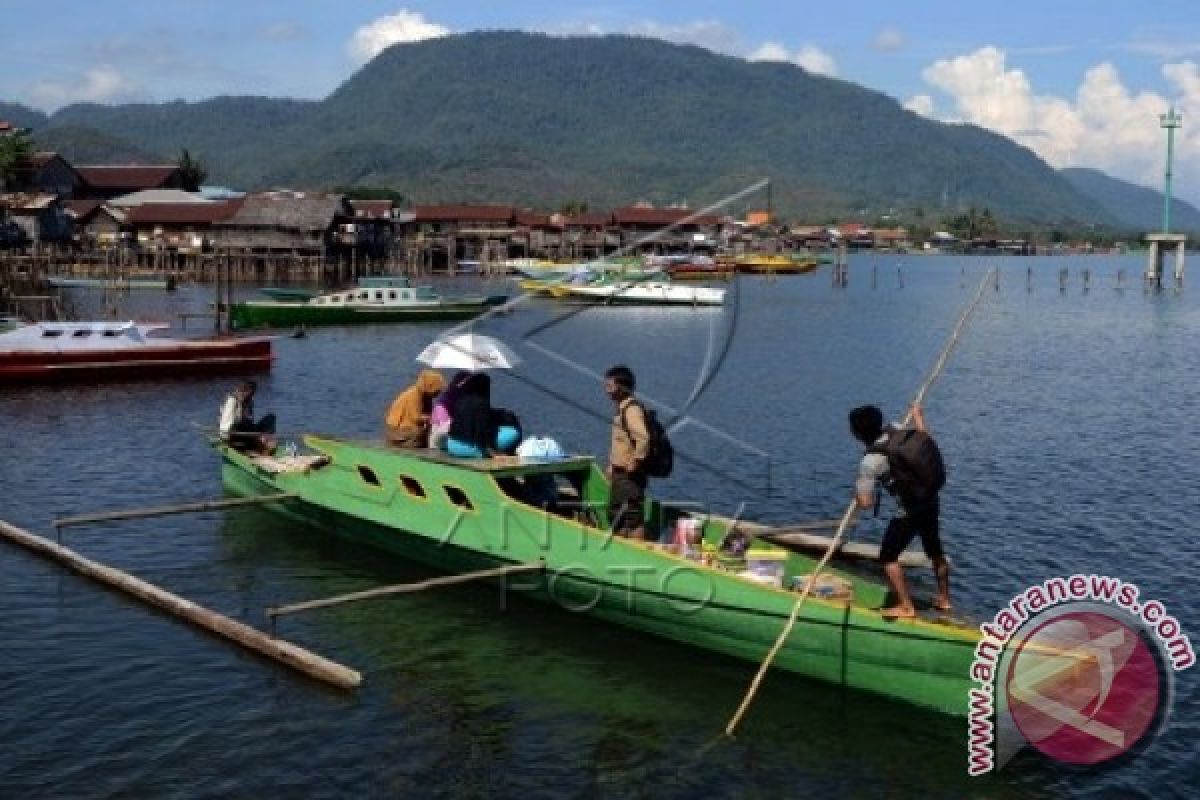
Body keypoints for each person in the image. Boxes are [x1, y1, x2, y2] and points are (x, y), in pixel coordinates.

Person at [850, 403, 951, 619]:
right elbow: (924, 439)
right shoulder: (897, 429)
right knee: (935, 551)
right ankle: (944, 599)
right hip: (930, 499)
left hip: (910, 510)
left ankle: (906, 607)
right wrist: (918, 417)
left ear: (857, 434)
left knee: (887, 557)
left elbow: (866, 503)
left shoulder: (869, 462)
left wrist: (859, 489)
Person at [604, 365, 650, 540]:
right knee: (618, 515)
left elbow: (643, 437)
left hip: (629, 474)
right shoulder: (622, 409)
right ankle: (622, 548)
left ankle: (637, 553)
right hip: (620, 473)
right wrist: (611, 465)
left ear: (622, 387)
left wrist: (636, 461)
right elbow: (620, 442)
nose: (607, 390)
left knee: (632, 517)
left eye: (610, 386)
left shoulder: (632, 410)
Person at [384, 369, 446, 448]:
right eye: (436, 391)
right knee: (420, 434)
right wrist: (430, 418)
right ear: (430, 387)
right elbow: (415, 417)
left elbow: (429, 413)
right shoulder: (414, 395)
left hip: (408, 428)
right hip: (398, 429)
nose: (437, 394)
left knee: (432, 431)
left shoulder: (426, 397)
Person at [218, 380, 276, 454]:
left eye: (253, 393)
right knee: (242, 424)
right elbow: (228, 424)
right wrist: (241, 405)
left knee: (271, 417)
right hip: (231, 434)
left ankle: (263, 442)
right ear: (246, 391)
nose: (253, 395)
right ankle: (258, 444)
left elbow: (250, 419)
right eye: (252, 392)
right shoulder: (232, 400)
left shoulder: (249, 401)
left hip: (245, 432)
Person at [429, 370, 470, 450]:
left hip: (448, 442)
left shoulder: (459, 399)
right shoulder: (442, 405)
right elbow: (443, 431)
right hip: (438, 445)